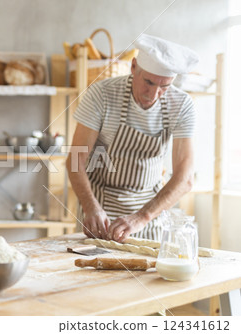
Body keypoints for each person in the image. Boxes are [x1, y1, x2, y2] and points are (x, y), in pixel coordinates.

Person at [67, 34, 199, 242]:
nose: (153, 94)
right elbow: (76, 160)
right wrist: (90, 206)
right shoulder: (102, 94)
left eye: (164, 87)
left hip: (150, 213)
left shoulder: (182, 105)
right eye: (148, 82)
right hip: (100, 209)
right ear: (134, 66)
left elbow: (185, 178)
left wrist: (142, 217)